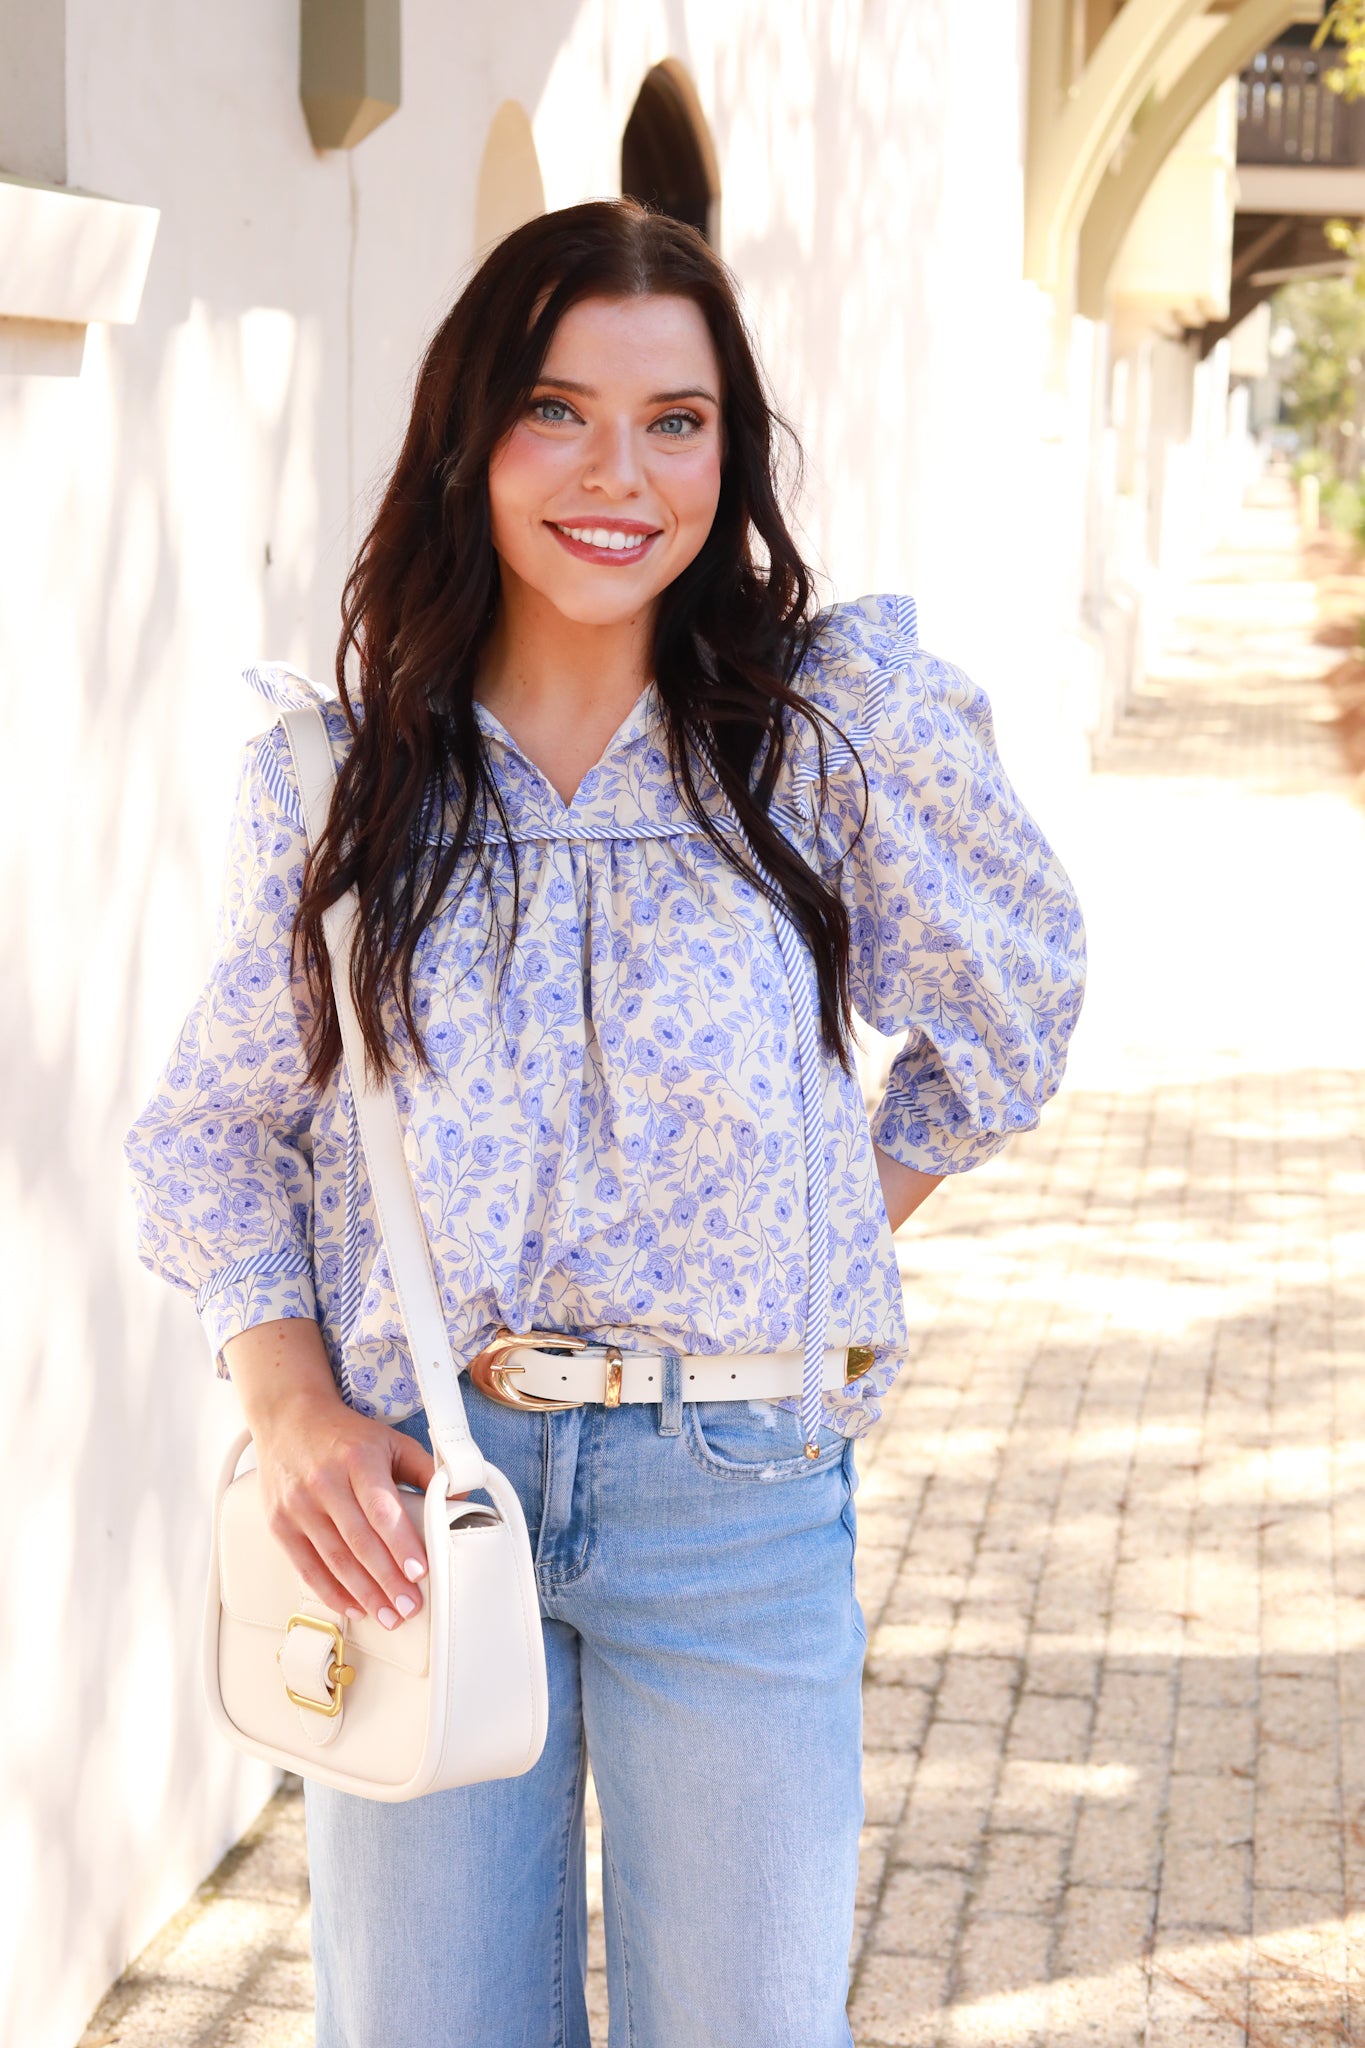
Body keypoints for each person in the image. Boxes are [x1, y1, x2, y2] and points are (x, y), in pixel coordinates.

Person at [126, 199, 1086, 2048]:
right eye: (558, 411)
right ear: (470, 436)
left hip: (731, 1495)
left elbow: (1010, 1005)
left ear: (728, 453)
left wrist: (818, 1224)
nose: (618, 474)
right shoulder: (345, 779)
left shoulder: (826, 738)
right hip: (413, 1495)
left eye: (677, 420)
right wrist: (290, 1404)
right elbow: (215, 1130)